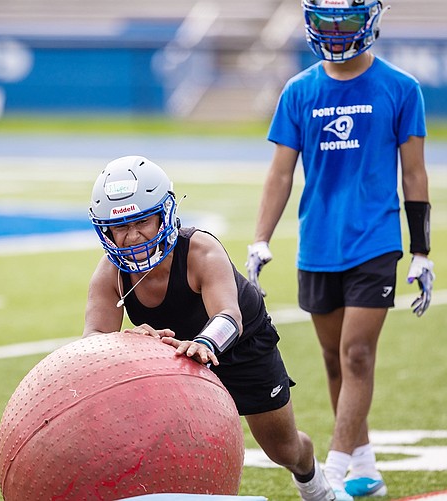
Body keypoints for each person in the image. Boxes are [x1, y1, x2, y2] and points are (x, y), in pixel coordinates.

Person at [246, 1, 434, 499]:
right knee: (333, 359)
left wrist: (422, 250)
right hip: (318, 245)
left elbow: (414, 174)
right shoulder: (299, 90)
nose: (334, 32)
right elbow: (280, 173)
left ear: (369, 19)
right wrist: (260, 239)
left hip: (376, 241)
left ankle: (333, 469)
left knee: (356, 354)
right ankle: (365, 463)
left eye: (345, 21)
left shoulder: (401, 88)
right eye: (325, 21)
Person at [83, 155, 335, 501]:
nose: (132, 236)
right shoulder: (110, 273)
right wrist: (126, 341)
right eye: (121, 227)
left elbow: (230, 316)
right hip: (174, 360)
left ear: (164, 215)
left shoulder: (201, 249)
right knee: (170, 447)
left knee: (284, 449)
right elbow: (91, 342)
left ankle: (314, 483)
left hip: (241, 347)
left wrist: (204, 343)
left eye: (143, 221)